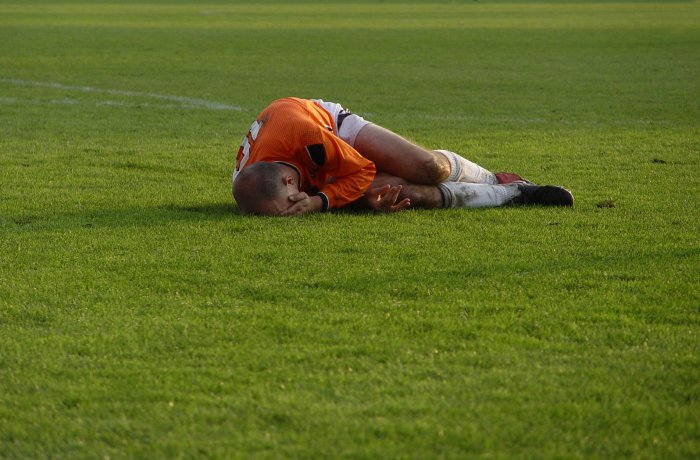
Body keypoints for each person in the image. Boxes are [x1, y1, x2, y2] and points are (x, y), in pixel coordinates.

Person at [232, 97, 573, 216]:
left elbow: (361, 170)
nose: (293, 211)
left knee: (428, 167)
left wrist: (321, 202)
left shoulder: (307, 137)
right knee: (403, 194)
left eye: (292, 204)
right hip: (316, 167)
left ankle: (489, 178)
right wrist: (360, 201)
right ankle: (515, 194)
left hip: (332, 127)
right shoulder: (250, 187)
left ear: (291, 180)